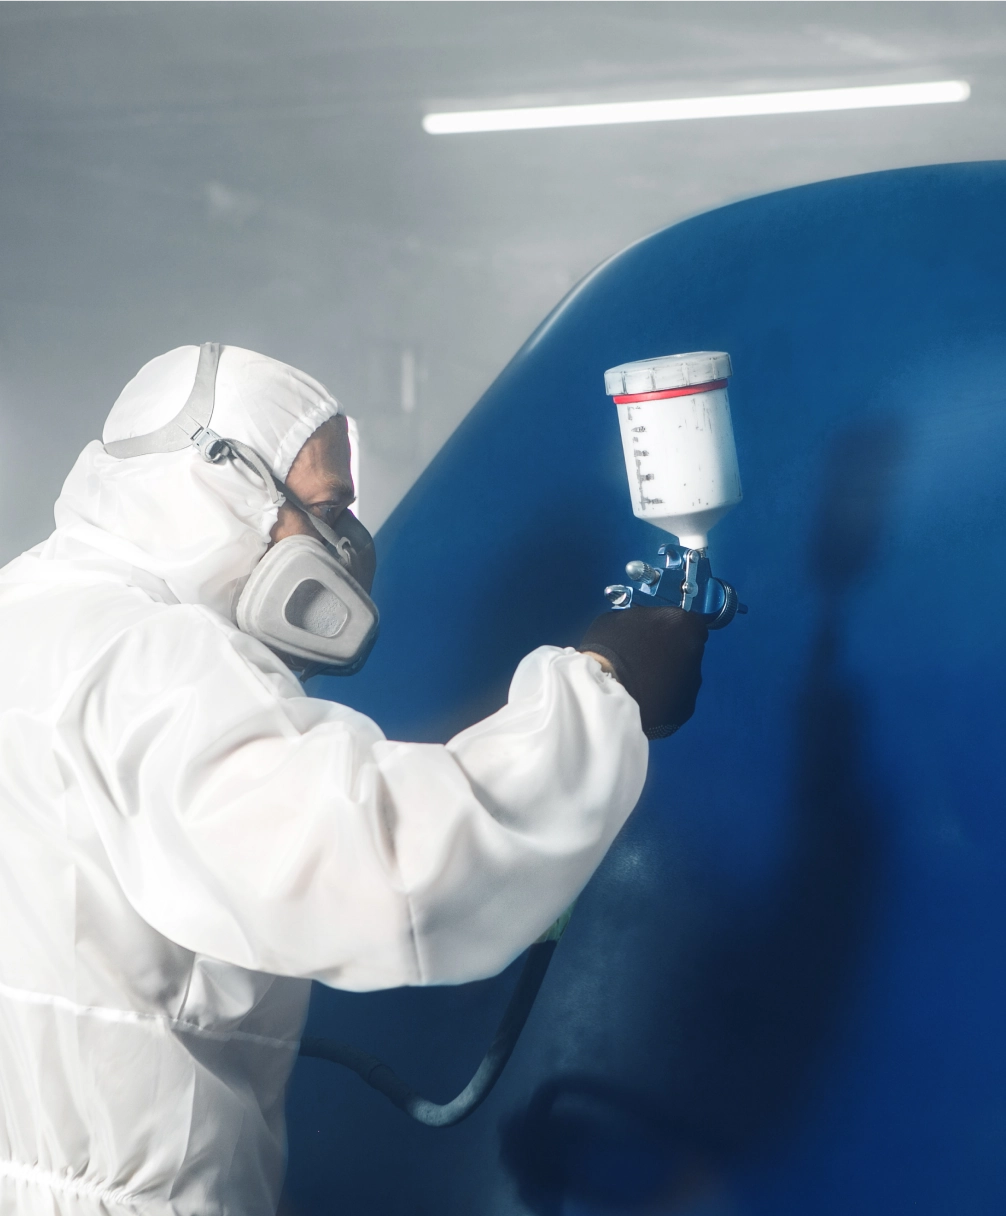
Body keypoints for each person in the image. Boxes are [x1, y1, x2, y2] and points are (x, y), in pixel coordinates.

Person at [0, 344, 706, 1216]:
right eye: (328, 510)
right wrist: (603, 688)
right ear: (226, 484)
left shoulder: (30, 613)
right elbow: (390, 868)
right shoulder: (156, 661)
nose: (346, 549)